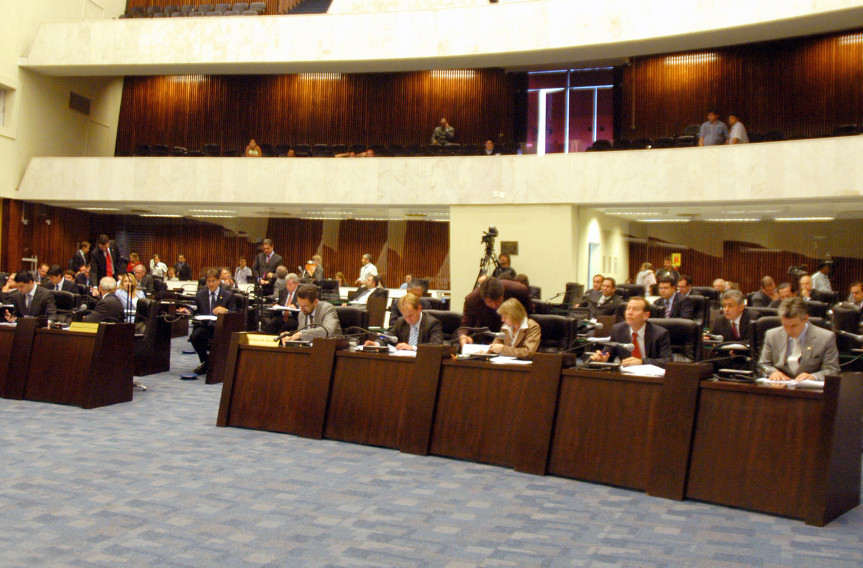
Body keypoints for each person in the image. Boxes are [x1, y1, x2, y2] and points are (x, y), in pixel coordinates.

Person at [758, 297, 840, 384]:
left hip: (809, 391)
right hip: (779, 386)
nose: (789, 330)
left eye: (794, 326)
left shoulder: (825, 337)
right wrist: (773, 372)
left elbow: (832, 370)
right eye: (785, 325)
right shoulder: (772, 335)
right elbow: (763, 365)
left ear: (805, 319)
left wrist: (813, 376)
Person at [178, 269, 237, 376]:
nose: (211, 284)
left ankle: (207, 364)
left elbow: (235, 312)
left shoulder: (228, 295)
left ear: (219, 281)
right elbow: (195, 308)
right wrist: (188, 311)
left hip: (221, 327)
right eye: (208, 281)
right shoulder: (200, 294)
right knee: (194, 337)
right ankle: (207, 361)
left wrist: (226, 311)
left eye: (213, 281)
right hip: (205, 326)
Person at [590, 296, 672, 368]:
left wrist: (642, 362)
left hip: (651, 377)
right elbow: (609, 353)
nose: (630, 312)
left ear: (646, 315)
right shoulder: (618, 330)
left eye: (635, 309)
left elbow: (667, 360)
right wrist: (602, 358)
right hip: (627, 376)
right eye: (628, 308)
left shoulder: (659, 333)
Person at [458, 277, 532, 348]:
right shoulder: (472, 300)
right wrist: (463, 336)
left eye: (498, 300)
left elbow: (528, 314)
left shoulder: (518, 291)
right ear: (483, 299)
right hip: (487, 339)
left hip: (515, 339)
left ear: (503, 293)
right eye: (490, 302)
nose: (494, 304)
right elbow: (466, 324)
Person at [364, 293, 443, 351]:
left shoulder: (432, 323)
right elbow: (389, 337)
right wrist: (377, 344)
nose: (408, 319)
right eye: (405, 315)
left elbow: (436, 344)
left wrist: (412, 348)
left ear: (419, 309)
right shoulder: (401, 321)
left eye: (411, 315)